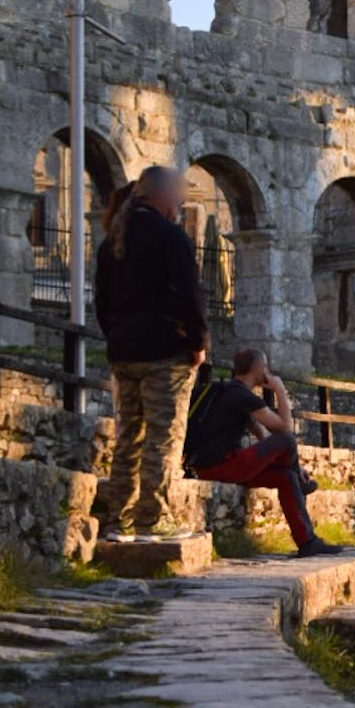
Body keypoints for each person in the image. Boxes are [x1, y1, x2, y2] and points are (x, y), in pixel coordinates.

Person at [94, 165, 207, 540]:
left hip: (124, 351)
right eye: (178, 195)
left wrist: (118, 337)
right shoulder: (170, 236)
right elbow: (190, 294)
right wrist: (198, 341)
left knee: (130, 436)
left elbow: (102, 303)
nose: (181, 202)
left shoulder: (112, 240)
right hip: (165, 352)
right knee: (163, 435)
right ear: (161, 196)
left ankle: (117, 520)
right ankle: (151, 520)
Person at [187, 347, 341, 558]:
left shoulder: (229, 391)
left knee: (286, 477)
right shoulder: (241, 395)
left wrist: (295, 468)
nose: (268, 371)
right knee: (287, 440)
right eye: (265, 366)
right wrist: (279, 389)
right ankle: (301, 483)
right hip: (221, 467)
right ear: (257, 368)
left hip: (211, 465)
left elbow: (263, 436)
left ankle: (307, 541)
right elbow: (285, 429)